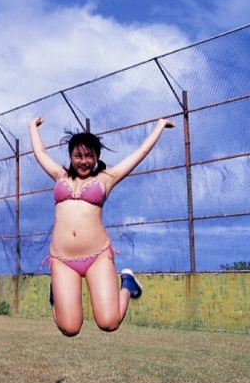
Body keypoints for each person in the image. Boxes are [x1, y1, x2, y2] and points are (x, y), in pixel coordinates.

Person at [29, 116, 175, 336]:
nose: (84, 161)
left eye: (89, 155)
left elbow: (140, 153)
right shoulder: (60, 176)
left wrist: (160, 126)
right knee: (69, 328)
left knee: (109, 323)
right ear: (71, 157)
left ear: (97, 157)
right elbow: (40, 153)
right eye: (78, 155)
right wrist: (32, 127)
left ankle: (128, 285)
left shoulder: (106, 179)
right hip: (62, 260)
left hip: (97, 256)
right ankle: (56, 297)